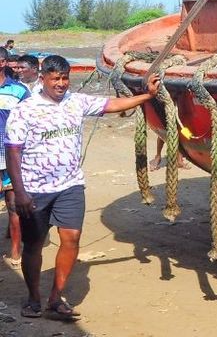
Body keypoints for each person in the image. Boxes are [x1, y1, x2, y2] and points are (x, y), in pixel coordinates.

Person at [5, 55, 161, 321]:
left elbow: (112, 104)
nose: (61, 84)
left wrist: (146, 97)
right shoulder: (25, 109)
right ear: (43, 78)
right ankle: (33, 297)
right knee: (34, 246)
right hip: (34, 190)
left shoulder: (76, 102)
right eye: (55, 78)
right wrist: (19, 191)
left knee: (72, 239)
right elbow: (12, 152)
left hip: (70, 186)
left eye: (65, 78)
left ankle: (55, 298)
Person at [0, 49, 29, 267]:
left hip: (10, 155)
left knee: (13, 204)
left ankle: (16, 250)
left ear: (2, 62)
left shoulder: (19, 91)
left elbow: (30, 119)